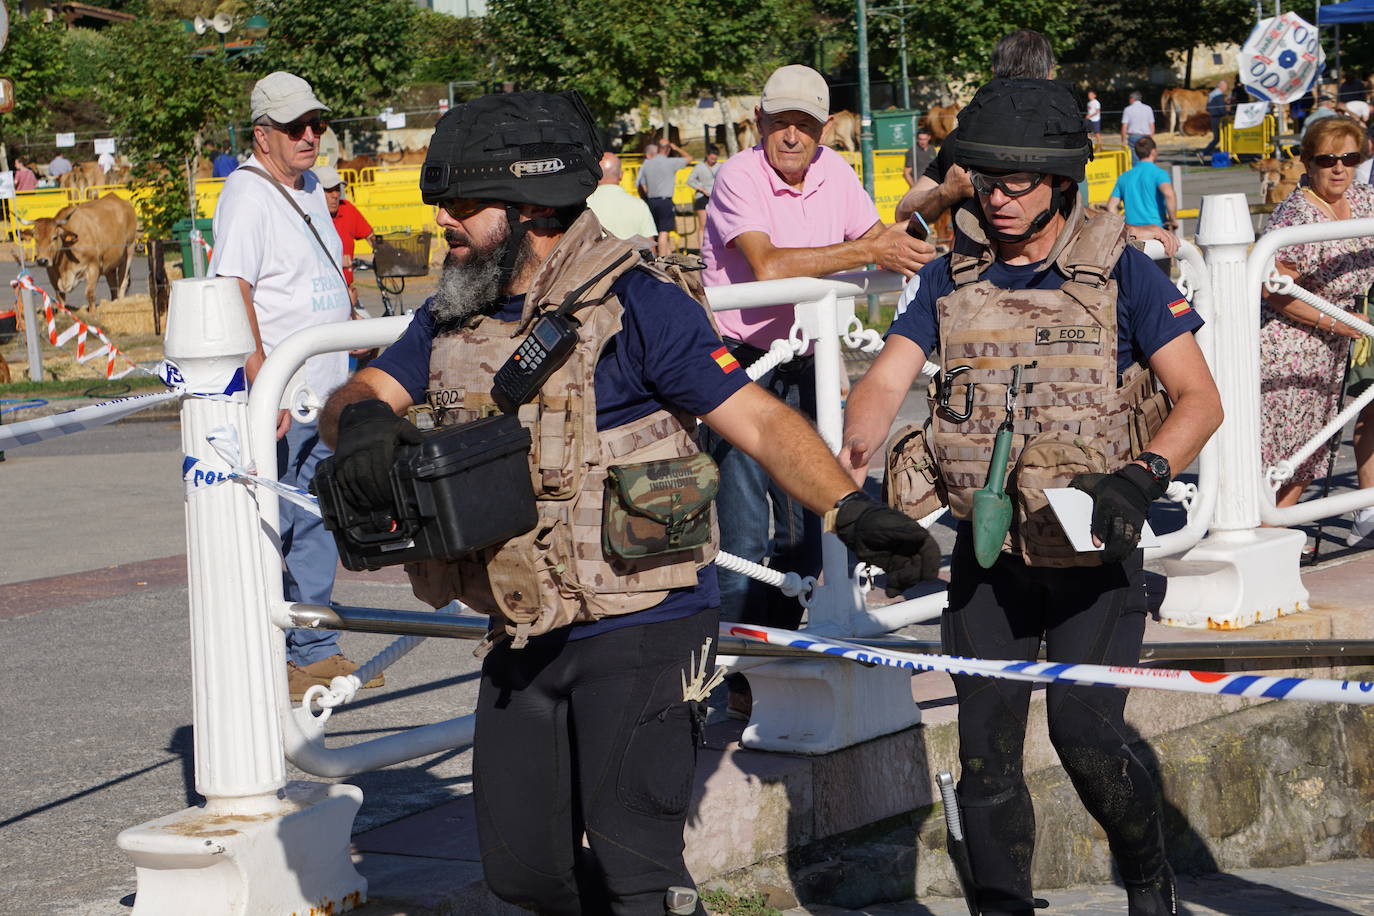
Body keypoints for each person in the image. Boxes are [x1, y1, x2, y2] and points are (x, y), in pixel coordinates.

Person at [317, 88, 940, 916]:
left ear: (531, 208)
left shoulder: (641, 302)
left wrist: (851, 511)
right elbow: (365, 387)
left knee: (633, 873)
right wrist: (357, 421)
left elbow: (756, 418)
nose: (445, 225)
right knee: (522, 874)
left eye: (463, 206)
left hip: (643, 623)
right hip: (527, 620)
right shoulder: (455, 311)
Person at [841, 78, 1222, 916]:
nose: (1000, 199)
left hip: (1094, 557)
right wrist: (851, 486)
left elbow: (1201, 401)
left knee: (1085, 741)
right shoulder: (948, 280)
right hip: (989, 560)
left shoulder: (1124, 274)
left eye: (1018, 183)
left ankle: (1149, 879)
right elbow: (882, 385)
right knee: (984, 755)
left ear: (1059, 182)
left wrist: (1140, 476)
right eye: (984, 180)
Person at [701, 62, 934, 716]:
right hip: (740, 363)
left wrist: (904, 236)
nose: (793, 136)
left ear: (826, 128)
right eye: (781, 123)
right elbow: (768, 263)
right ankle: (736, 671)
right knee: (745, 530)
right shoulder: (738, 175)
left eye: (805, 125)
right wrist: (868, 252)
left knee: (812, 518)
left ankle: (790, 648)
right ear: (760, 124)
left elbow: (875, 240)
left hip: (805, 356)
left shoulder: (837, 172)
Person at [208, 72, 372, 701]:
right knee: (272, 527)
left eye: (317, 125)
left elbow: (313, 277)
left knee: (316, 523)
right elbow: (235, 290)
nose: (310, 137)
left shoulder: (307, 188)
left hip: (324, 390)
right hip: (286, 398)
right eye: (295, 128)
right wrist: (263, 382)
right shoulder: (248, 196)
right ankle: (271, 655)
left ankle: (312, 651)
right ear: (262, 134)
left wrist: (350, 329)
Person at [1258, 116, 1374, 543]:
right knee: (1286, 446)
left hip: (1336, 342)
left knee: (1315, 444)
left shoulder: (1365, 200)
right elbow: (1274, 288)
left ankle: (1274, 532)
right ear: (1308, 162)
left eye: (1350, 158)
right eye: (1327, 159)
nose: (1339, 168)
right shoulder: (1297, 211)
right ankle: (1266, 533)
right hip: (1291, 341)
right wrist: (1336, 320)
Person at [894, 29, 1056, 225]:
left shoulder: (962, 140)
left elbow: (904, 213)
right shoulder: (1065, 139)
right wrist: (947, 190)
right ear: (1050, 73)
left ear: (994, 72)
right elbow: (903, 212)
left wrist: (945, 192)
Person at [1108, 136, 1179, 266]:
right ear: (1153, 152)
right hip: (1156, 234)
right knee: (1160, 279)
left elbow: (1111, 207)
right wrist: (1173, 219)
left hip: (1133, 236)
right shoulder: (1159, 174)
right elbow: (1169, 194)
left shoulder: (1124, 177)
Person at [318, 165, 375, 308]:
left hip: (349, 292)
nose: (335, 195)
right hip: (323, 298)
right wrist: (337, 260)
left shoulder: (346, 209)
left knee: (369, 325)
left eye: (337, 189)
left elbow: (371, 237)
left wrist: (389, 253)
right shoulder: (310, 218)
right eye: (328, 190)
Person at [636, 137, 693, 255]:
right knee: (664, 232)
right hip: (665, 200)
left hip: (651, 200)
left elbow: (642, 183)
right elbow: (689, 158)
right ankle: (662, 260)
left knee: (656, 231)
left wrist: (647, 195)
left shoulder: (647, 163)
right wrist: (676, 147)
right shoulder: (670, 162)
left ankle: (666, 256)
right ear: (667, 149)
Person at [587, 150, 657, 239]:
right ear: (621, 175)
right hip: (632, 252)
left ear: (595, 174)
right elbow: (650, 246)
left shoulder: (585, 205)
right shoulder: (639, 205)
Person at [685, 144, 722, 250]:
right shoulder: (699, 167)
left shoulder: (720, 166)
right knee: (703, 225)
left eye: (715, 159)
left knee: (717, 224)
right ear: (707, 155)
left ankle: (717, 248)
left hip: (716, 197)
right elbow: (690, 180)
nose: (713, 161)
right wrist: (702, 189)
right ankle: (702, 248)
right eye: (711, 158)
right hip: (702, 197)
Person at [1121, 91, 1156, 164]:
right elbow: (1152, 125)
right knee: (1147, 157)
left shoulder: (1128, 109)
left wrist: (1123, 140)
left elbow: (1124, 126)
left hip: (1133, 136)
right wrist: (1151, 137)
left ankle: (1137, 171)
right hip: (1146, 136)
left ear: (1132, 99)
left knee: (1134, 158)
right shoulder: (1148, 108)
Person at [1202, 79, 1230, 159]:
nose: (1226, 89)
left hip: (1213, 118)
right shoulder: (1219, 95)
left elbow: (1207, 108)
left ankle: (1203, 153)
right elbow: (1221, 109)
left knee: (1217, 138)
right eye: (1225, 87)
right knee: (1224, 136)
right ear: (1221, 86)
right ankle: (1226, 154)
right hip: (1219, 119)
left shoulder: (1211, 94)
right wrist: (1227, 113)